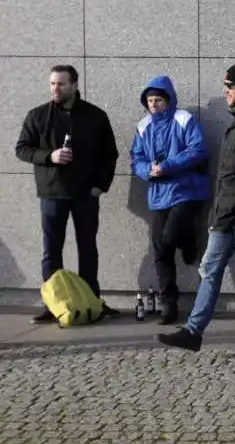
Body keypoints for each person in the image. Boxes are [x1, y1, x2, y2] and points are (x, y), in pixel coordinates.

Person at [157, 58, 235, 367]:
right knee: (209, 270)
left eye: (230, 86)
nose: (225, 90)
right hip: (225, 215)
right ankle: (193, 331)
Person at [15, 65, 120, 323]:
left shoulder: (96, 116)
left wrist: (99, 187)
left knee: (88, 249)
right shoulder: (37, 116)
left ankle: (92, 302)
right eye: (52, 84)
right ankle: (54, 305)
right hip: (52, 193)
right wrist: (49, 156)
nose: (55, 89)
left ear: (74, 85)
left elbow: (110, 155)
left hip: (86, 193)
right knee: (52, 250)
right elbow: (22, 149)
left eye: (60, 84)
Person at [130, 75, 211, 325]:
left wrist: (167, 166)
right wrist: (147, 171)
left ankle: (189, 243)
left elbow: (198, 150)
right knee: (160, 248)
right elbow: (137, 157)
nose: (154, 104)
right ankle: (169, 303)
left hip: (186, 189)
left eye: (158, 100)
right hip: (158, 193)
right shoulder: (144, 126)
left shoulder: (184, 119)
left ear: (169, 100)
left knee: (170, 236)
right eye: (150, 101)